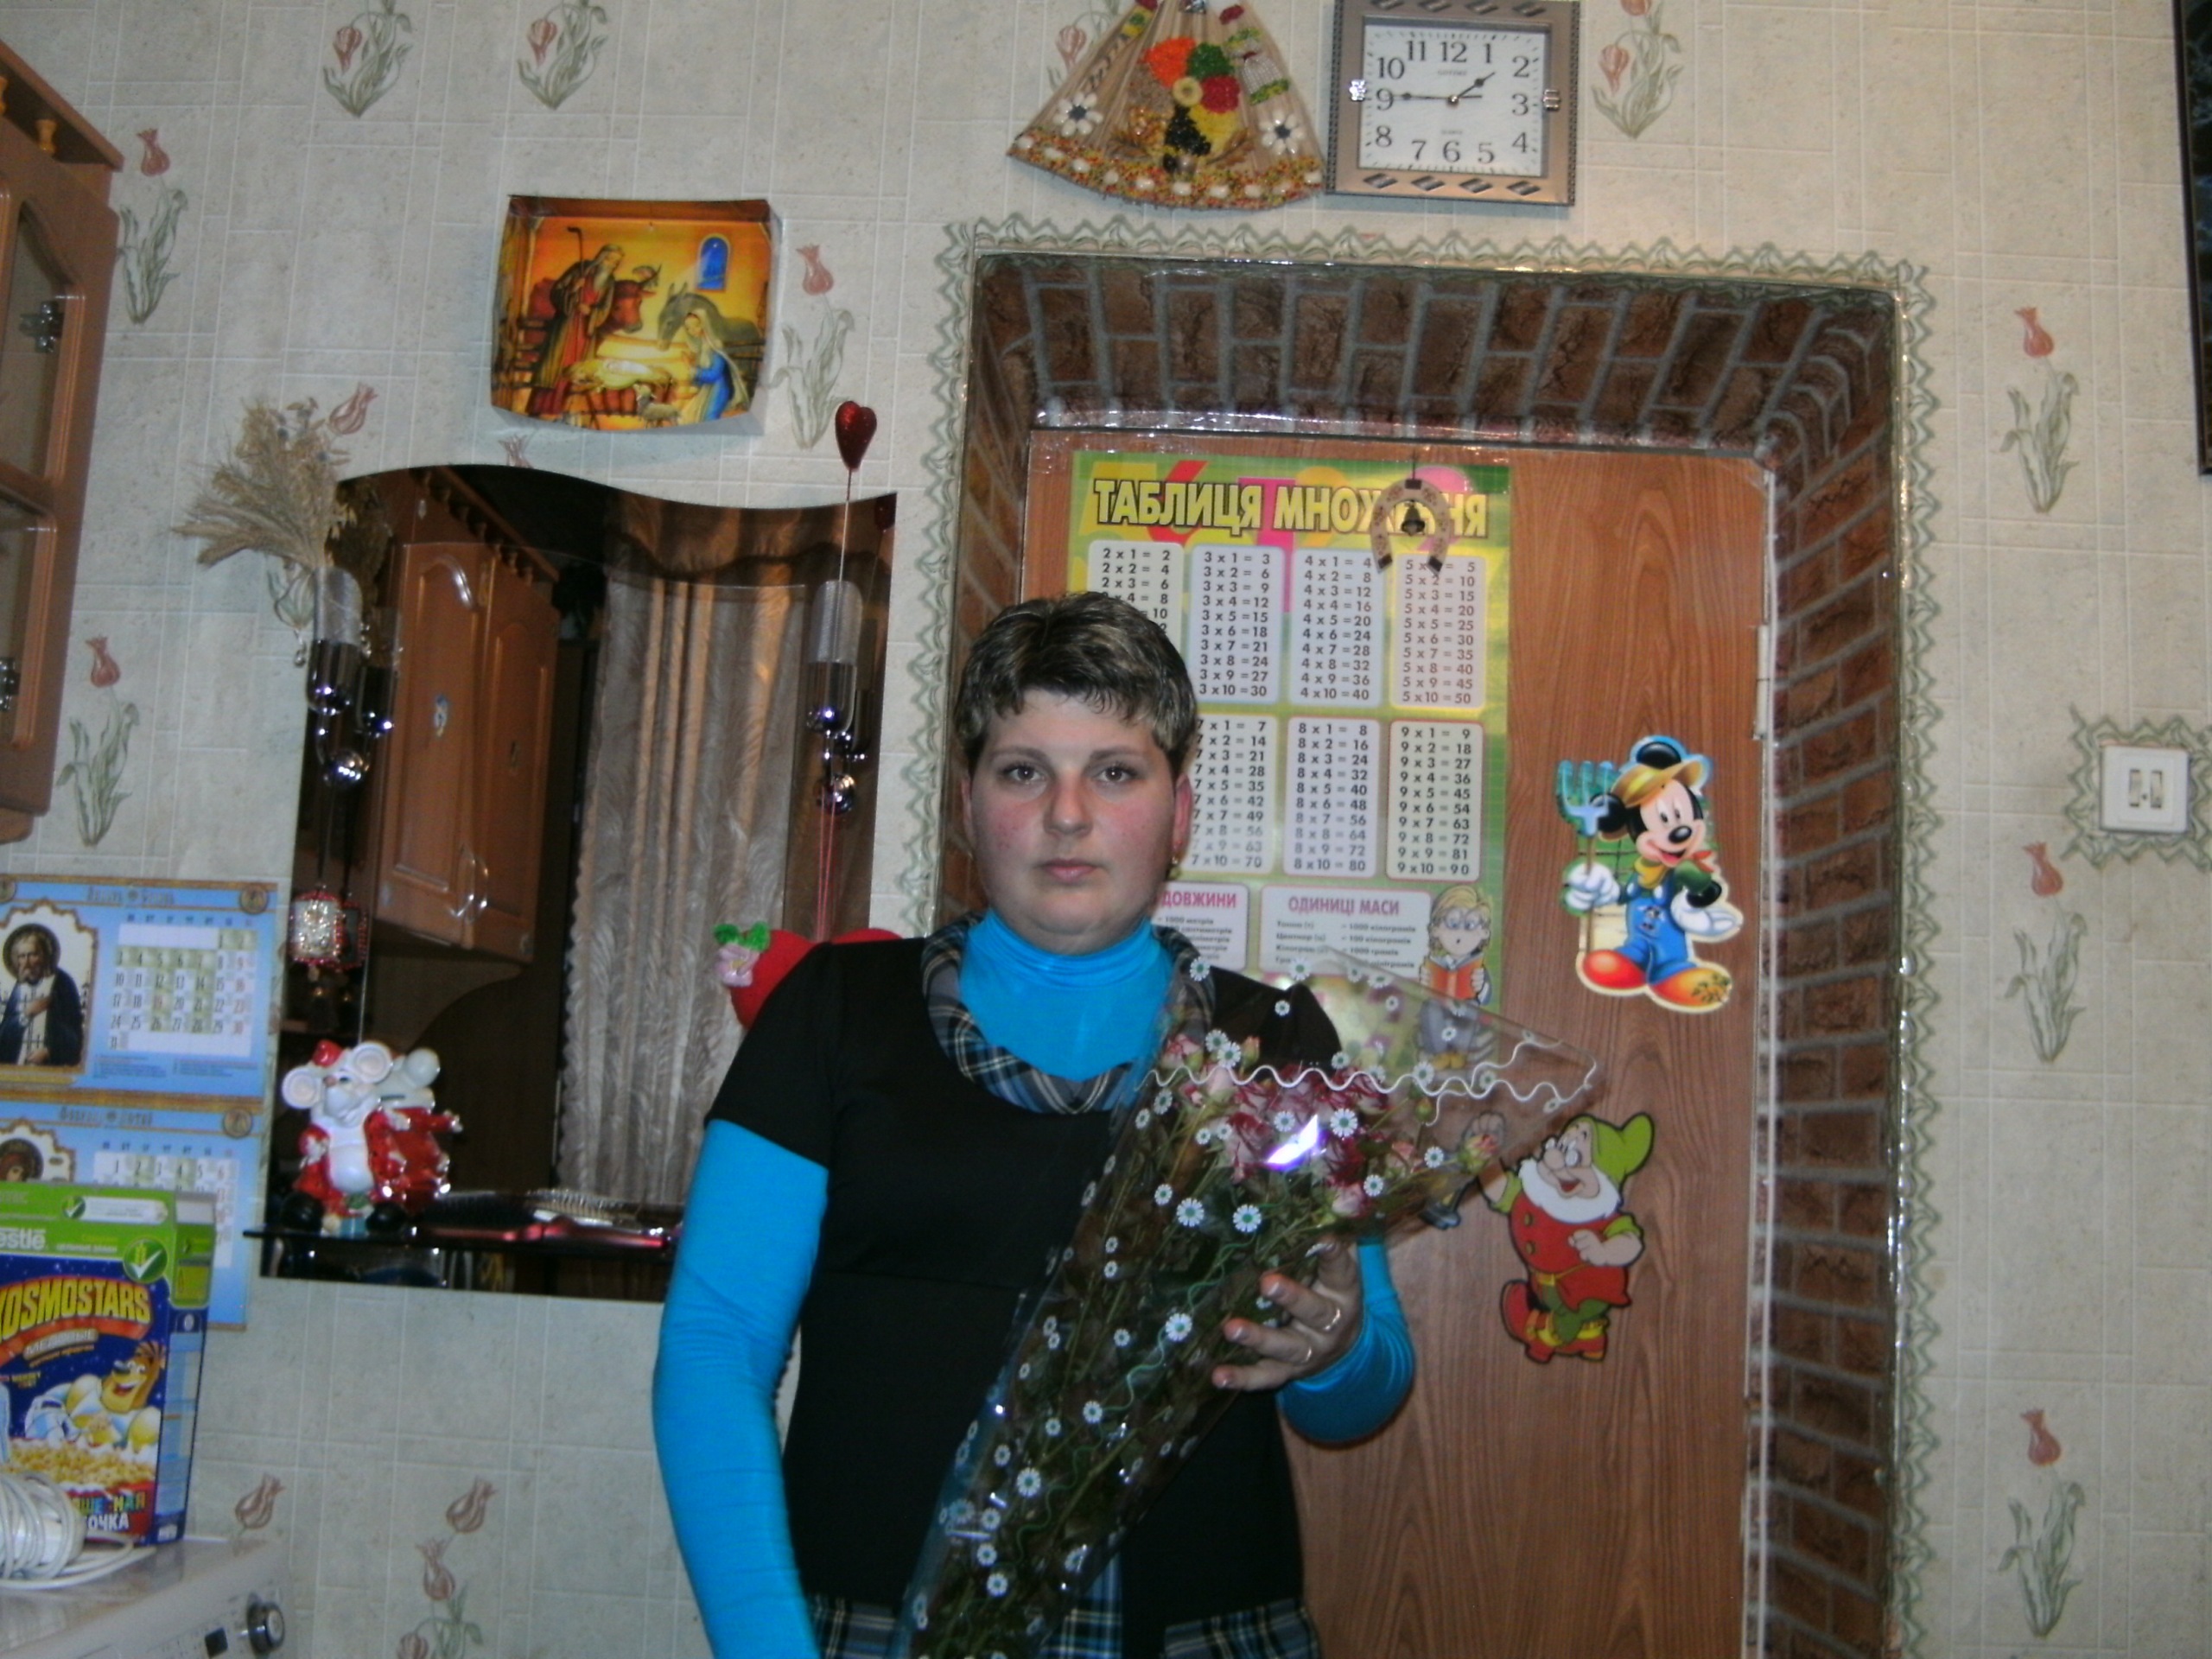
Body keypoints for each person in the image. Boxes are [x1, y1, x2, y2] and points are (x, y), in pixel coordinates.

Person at [655, 593, 1416, 1659]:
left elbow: (1358, 1394)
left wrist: (1332, 1350)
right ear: (969, 806)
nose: (1067, 813)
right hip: (875, 1632)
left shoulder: (1275, 1044)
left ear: (1179, 814)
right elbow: (713, 1350)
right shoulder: (833, 1012)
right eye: (1022, 771)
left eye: (1115, 772)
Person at [0, 924, 82, 1067]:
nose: (27, 962)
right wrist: (26, 1014)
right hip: (18, 1064)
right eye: (22, 956)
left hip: (48, 1067)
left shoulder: (62, 983)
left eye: (33, 955)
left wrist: (49, 1052)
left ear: (44, 955)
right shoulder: (19, 987)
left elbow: (74, 1033)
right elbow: (4, 1034)